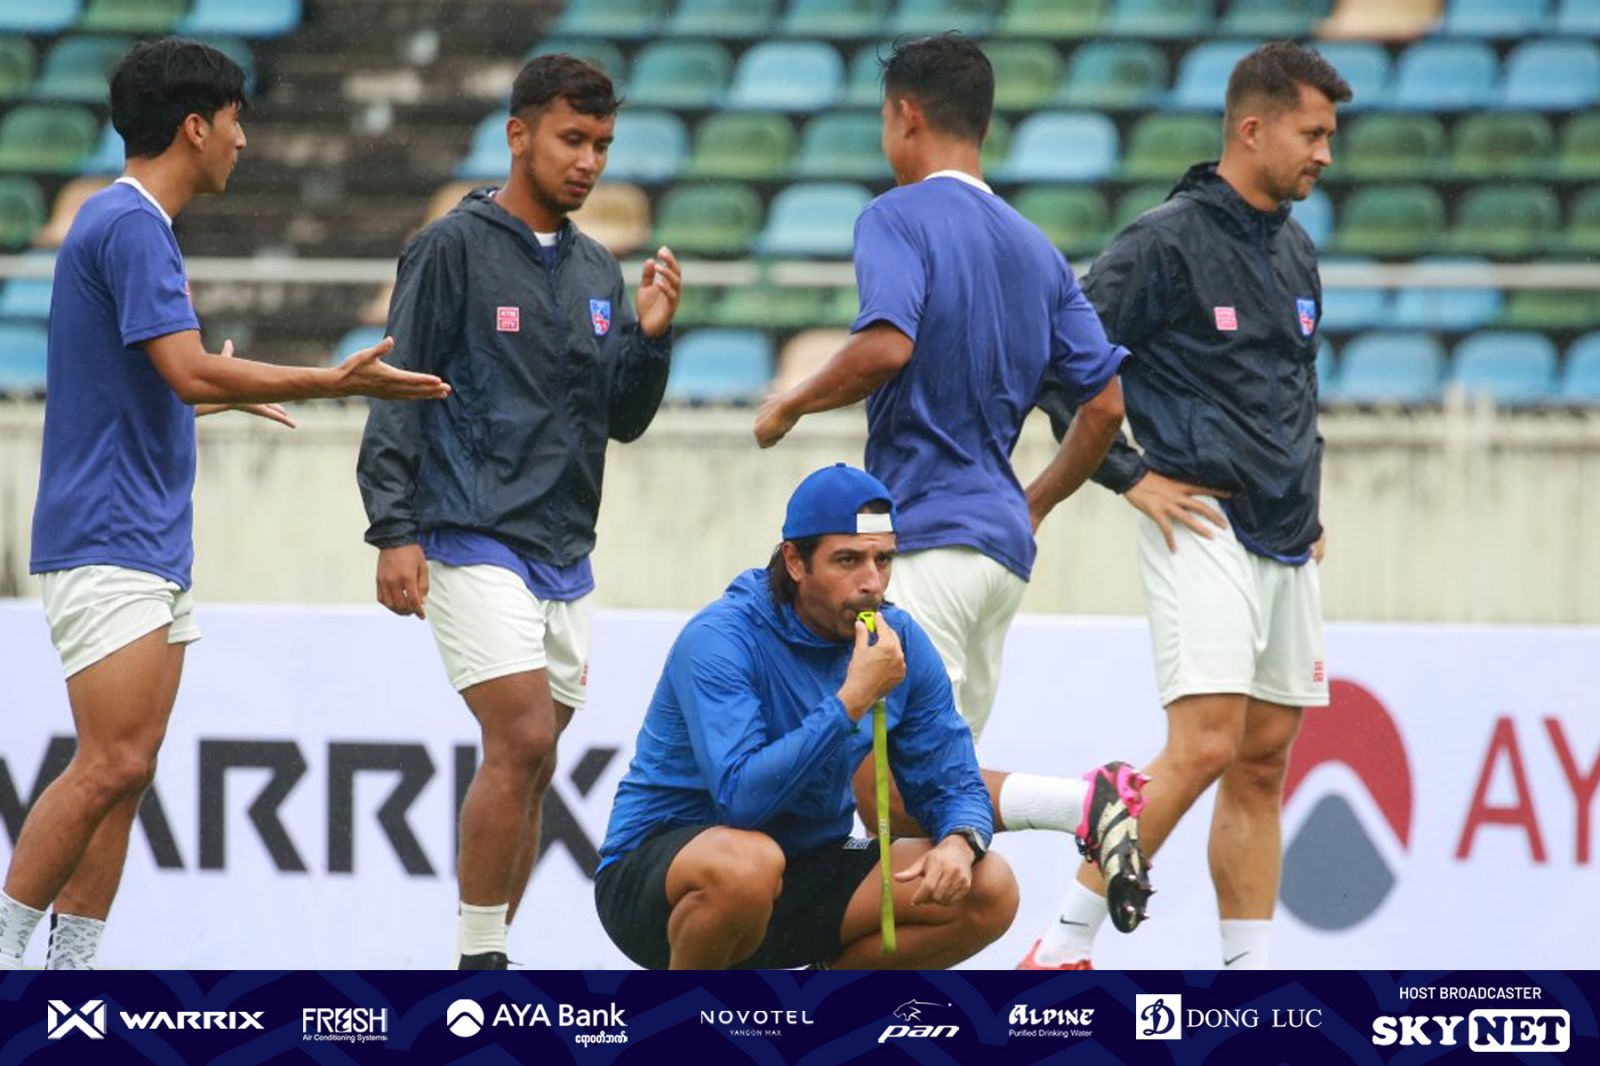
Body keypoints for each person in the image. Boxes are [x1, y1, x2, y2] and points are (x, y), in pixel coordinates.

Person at [0, 38, 449, 972]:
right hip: (109, 533)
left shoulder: (129, 225)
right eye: (236, 120)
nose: (243, 141)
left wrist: (227, 383)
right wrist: (332, 380)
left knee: (129, 772)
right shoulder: (129, 224)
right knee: (109, 764)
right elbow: (187, 369)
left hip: (145, 536)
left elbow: (161, 371)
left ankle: (69, 975)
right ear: (196, 125)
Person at [751, 34, 1150, 958]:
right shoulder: (1039, 250)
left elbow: (887, 343)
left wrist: (792, 401)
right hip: (998, 549)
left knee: (873, 771)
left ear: (906, 116)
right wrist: (1035, 501)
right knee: (927, 814)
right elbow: (1104, 404)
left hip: (919, 537)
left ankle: (1082, 801)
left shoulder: (896, 217)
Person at [357, 54, 681, 970]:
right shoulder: (450, 247)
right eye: (572, 139)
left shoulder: (596, 268)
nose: (589, 161)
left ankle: (493, 952)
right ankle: (477, 965)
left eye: (602, 145)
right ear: (518, 134)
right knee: (525, 734)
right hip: (468, 530)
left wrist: (651, 339)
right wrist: (394, 529)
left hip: (565, 548)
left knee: (537, 761)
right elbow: (399, 385)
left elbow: (622, 417)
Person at [1034, 41, 1350, 970]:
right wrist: (1130, 477)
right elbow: (1060, 368)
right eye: (1313, 132)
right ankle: (1059, 951)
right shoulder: (1163, 239)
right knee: (1206, 742)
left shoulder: (1296, 249)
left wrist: (1311, 505)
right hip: (1201, 522)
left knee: (1262, 758)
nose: (1327, 153)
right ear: (1253, 129)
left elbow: (1292, 389)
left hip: (1289, 539)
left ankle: (1245, 979)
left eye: (1331, 135)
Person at [595, 464, 1018, 970]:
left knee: (989, 887)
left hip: (805, 870)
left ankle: (812, 1026)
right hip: (664, 881)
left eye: (884, 560)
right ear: (795, 562)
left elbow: (953, 779)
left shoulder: (896, 637)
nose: (871, 583)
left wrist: (959, 841)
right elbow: (743, 800)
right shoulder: (719, 638)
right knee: (748, 865)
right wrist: (850, 701)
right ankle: (681, 1031)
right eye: (848, 560)